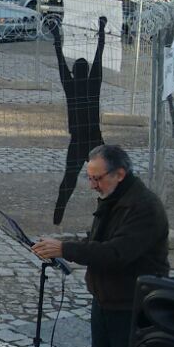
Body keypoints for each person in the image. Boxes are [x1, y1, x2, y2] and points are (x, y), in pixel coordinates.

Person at [32, 144, 170, 347]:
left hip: (131, 303)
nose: (92, 185)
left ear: (120, 174)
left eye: (97, 178)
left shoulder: (144, 207)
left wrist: (65, 249)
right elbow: (97, 242)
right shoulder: (113, 197)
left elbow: (116, 253)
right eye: (89, 177)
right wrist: (62, 245)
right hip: (106, 299)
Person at [52, 15, 108, 224]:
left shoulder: (71, 86)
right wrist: (101, 30)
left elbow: (60, 61)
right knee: (107, 178)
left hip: (78, 140)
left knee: (69, 180)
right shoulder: (93, 85)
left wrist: (56, 36)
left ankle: (58, 216)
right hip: (94, 138)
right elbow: (99, 54)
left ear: (74, 73)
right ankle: (108, 213)